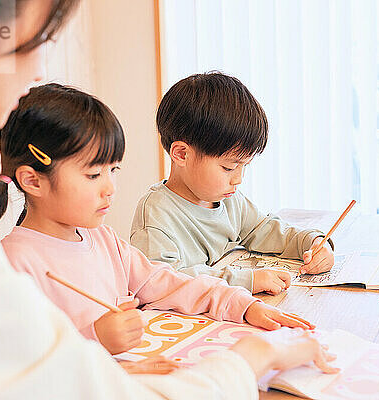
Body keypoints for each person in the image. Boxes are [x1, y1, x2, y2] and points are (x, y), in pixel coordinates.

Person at [0, 2, 337, 399]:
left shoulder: (98, 238)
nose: (36, 72)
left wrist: (239, 301)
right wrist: (254, 356)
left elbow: (162, 282)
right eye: (33, 42)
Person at [0, 83, 315, 359]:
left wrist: (239, 304)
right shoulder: (12, 262)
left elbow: (167, 282)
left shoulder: (104, 240)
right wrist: (94, 336)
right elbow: (19, 361)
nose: (110, 188)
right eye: (92, 175)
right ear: (33, 181)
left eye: (112, 171)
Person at [130, 72, 335, 295]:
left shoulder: (228, 201)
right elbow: (161, 283)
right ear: (181, 154)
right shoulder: (156, 215)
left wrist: (313, 242)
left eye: (244, 166)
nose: (238, 179)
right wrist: (248, 281)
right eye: (228, 168)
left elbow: (266, 230)